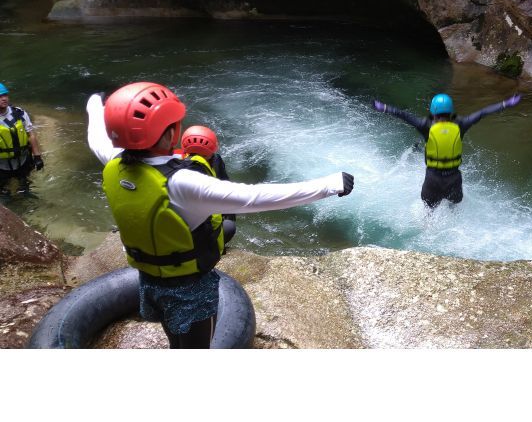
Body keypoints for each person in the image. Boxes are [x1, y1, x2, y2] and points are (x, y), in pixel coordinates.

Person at [87, 81, 354, 349]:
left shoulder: (112, 163)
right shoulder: (182, 184)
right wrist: (330, 185)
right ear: (170, 132)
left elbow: (96, 136)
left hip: (149, 282)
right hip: (189, 290)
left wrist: (95, 104)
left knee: (175, 339)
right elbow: (255, 198)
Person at [371, 92, 521, 208]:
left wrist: (384, 108)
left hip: (432, 179)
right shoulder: (461, 124)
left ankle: (427, 231)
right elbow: (482, 113)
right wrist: (505, 104)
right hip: (453, 178)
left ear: (433, 111)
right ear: (450, 111)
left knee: (429, 211)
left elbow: (402, 115)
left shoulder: (425, 125)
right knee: (454, 206)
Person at [178, 125, 237, 244]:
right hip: (201, 232)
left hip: (178, 230)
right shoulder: (216, 160)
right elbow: (226, 187)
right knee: (229, 226)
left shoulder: (174, 163)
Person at [0, 82, 44, 199]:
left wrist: (37, 157)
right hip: (2, 165)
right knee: (4, 192)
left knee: (24, 186)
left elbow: (31, 135)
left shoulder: (19, 113)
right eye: (0, 96)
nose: (4, 98)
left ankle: (25, 194)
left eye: (5, 95)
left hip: (22, 160)